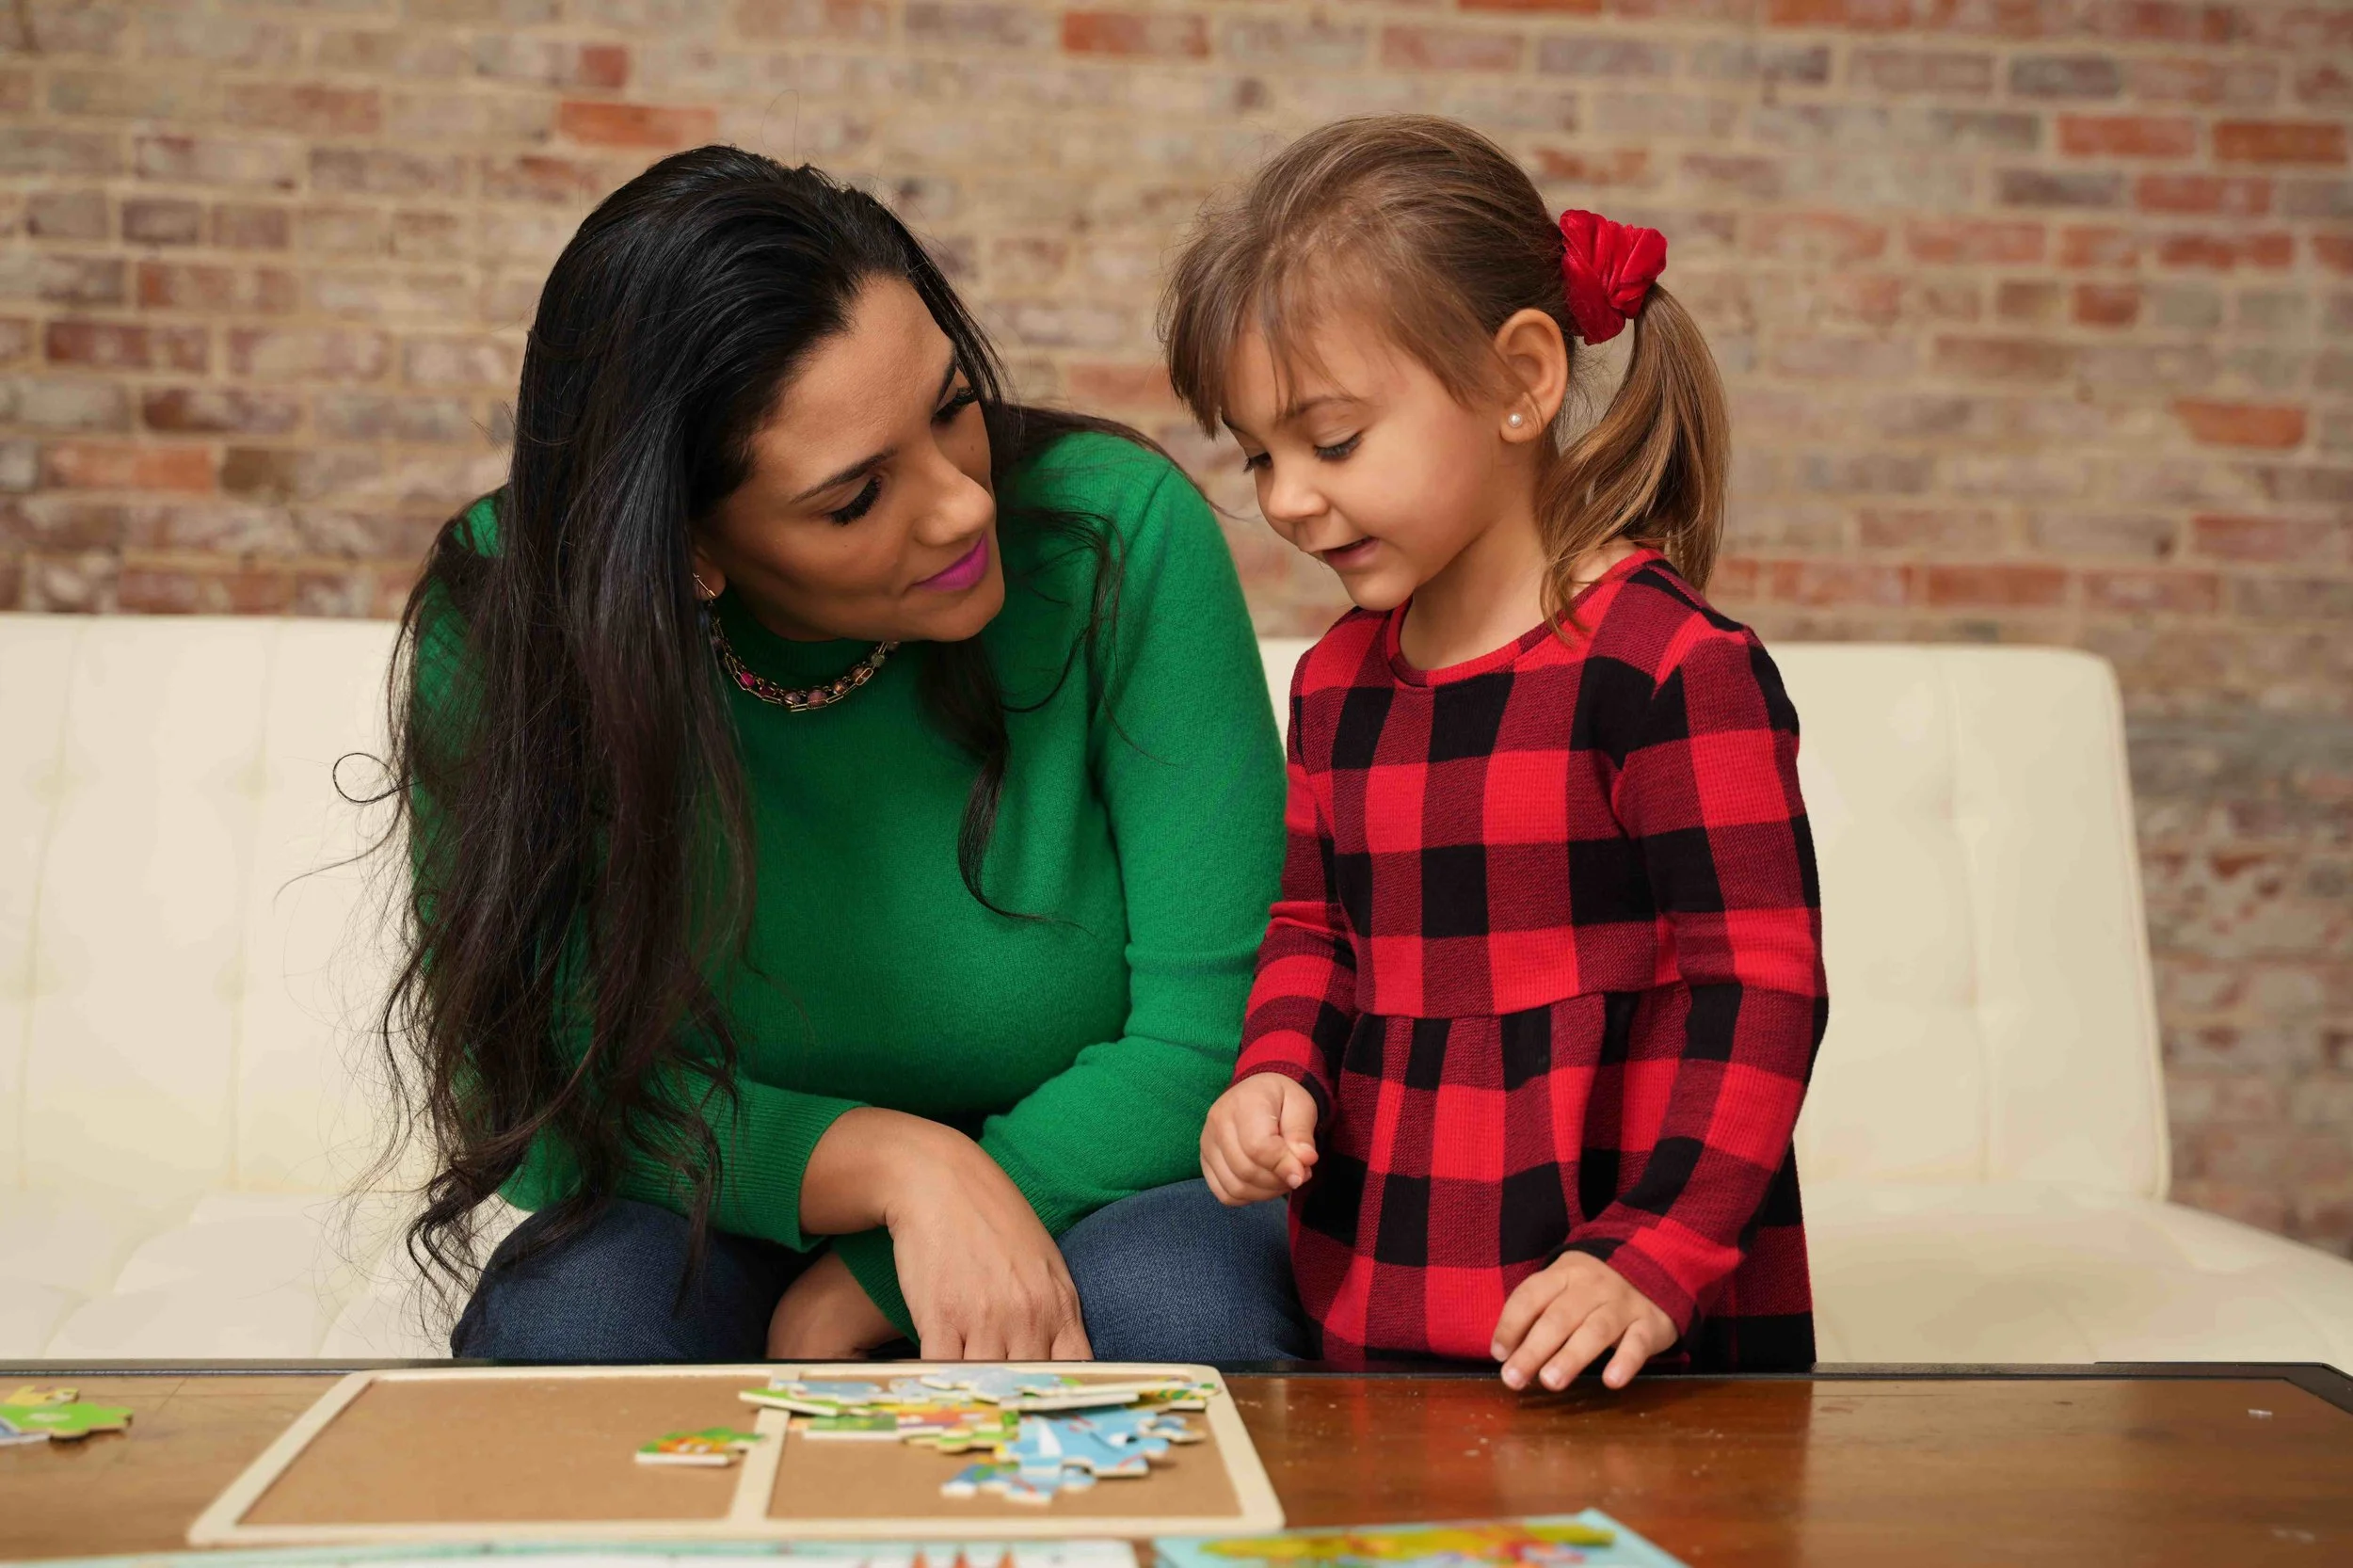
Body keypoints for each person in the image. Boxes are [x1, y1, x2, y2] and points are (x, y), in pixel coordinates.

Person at [390, 145, 1307, 1363]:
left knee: (1188, 1306)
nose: (962, 505)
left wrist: (871, 1277)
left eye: (947, 408)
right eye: (854, 498)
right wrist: (892, 1170)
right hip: (722, 1203)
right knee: (571, 1322)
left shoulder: (1116, 537)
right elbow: (536, 1094)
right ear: (688, 555)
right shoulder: (513, 619)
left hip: (1110, 1180)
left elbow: (1219, 1030)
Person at [1166, 117, 1828, 1385]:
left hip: (1629, 1315)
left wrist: (1652, 1249)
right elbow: (1315, 932)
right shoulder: (1337, 685)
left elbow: (1758, 991)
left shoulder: (1666, 668)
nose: (1289, 498)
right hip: (1385, 1298)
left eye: (1335, 439)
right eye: (1261, 455)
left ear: (1522, 378)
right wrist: (1273, 1073)